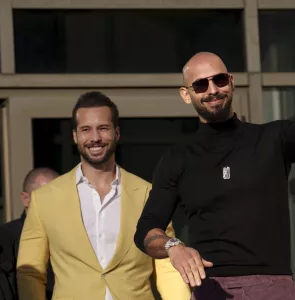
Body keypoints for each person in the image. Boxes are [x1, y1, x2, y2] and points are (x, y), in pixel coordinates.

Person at [134, 9, 295, 300]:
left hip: (275, 286)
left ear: (231, 82)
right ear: (187, 94)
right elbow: (147, 230)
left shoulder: (272, 138)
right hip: (212, 289)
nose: (212, 89)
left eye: (219, 80)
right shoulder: (178, 157)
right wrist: (174, 247)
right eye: (200, 85)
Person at [17, 92, 190, 300]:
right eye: (86, 130)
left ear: (117, 133)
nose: (95, 138)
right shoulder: (44, 199)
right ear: (75, 136)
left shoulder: (147, 194)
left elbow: (166, 266)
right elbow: (30, 273)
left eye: (103, 128)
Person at [0, 167, 59, 300]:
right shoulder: (4, 240)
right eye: (47, 197)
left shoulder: (68, 236)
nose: (56, 204)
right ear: (26, 199)